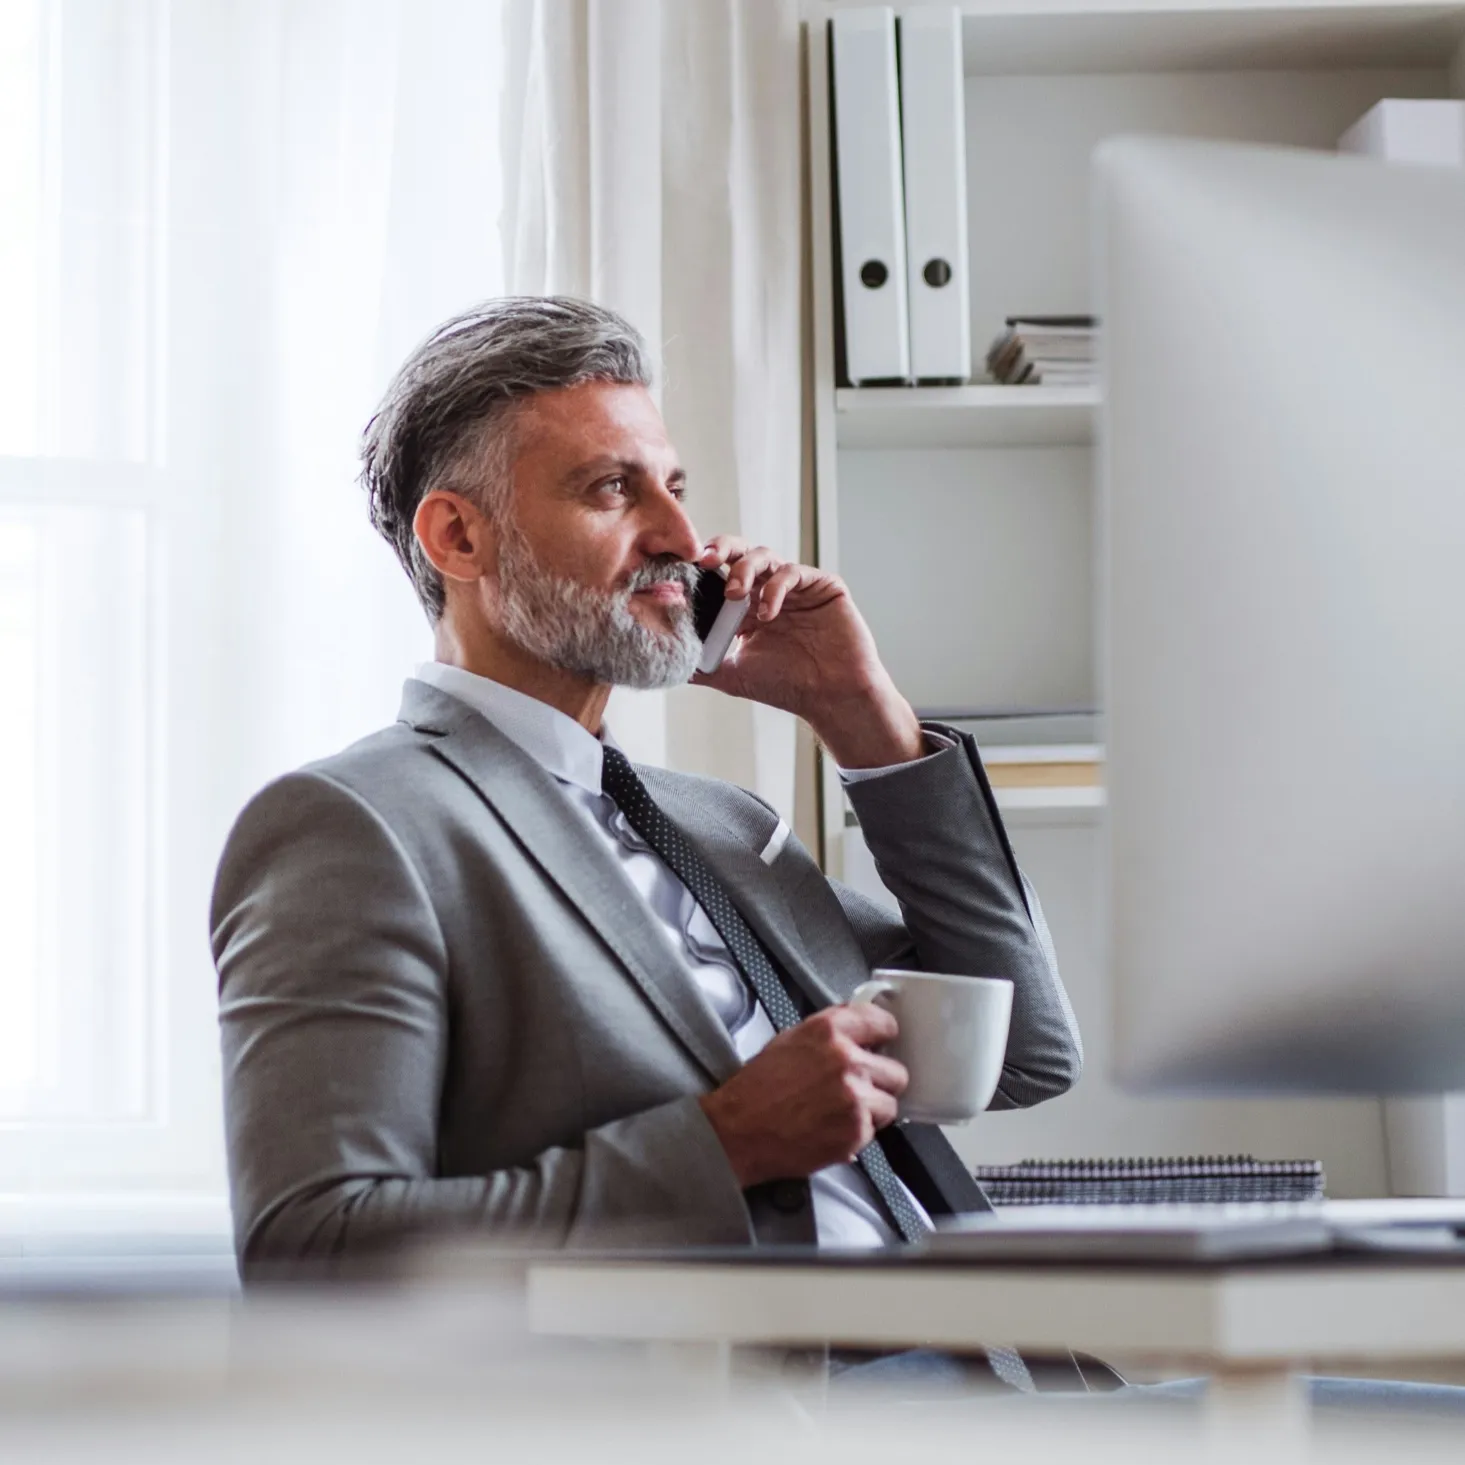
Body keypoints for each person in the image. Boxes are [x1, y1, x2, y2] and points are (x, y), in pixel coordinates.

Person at [210, 295, 1082, 1287]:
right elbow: (313, 1250)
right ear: (457, 538)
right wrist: (724, 1143)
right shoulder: (356, 828)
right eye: (611, 489)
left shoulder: (719, 827)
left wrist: (862, 717)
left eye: (673, 486)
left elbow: (1023, 1053)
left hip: (985, 1379)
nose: (681, 534)